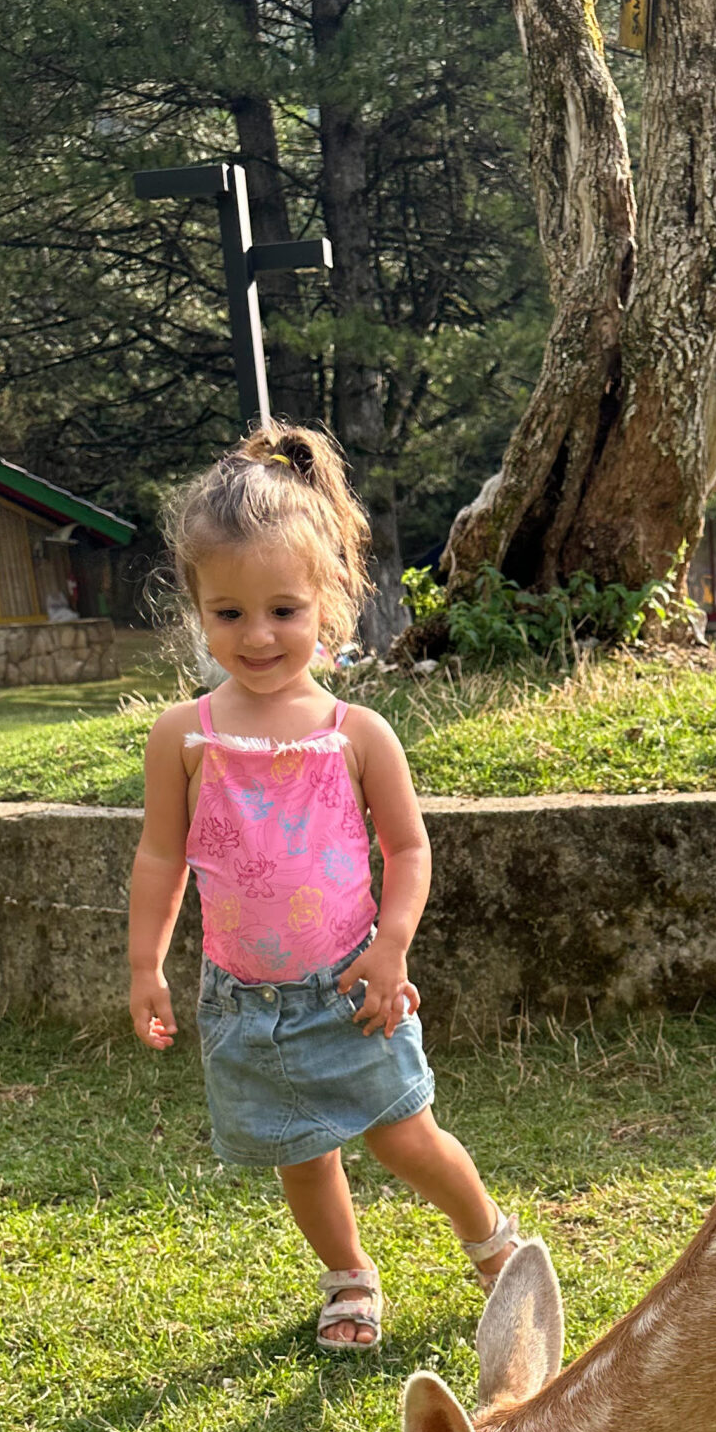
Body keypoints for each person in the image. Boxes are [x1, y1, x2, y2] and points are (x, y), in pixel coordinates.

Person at [127, 424, 519, 1351]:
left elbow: (408, 849)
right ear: (196, 608)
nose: (257, 635)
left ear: (329, 603)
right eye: (228, 614)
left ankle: (495, 1244)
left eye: (283, 610)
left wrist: (392, 948)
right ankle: (348, 1276)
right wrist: (146, 964)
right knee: (301, 1157)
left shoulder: (358, 732)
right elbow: (159, 856)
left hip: (350, 989)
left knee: (405, 1136)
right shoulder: (182, 735)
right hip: (240, 999)